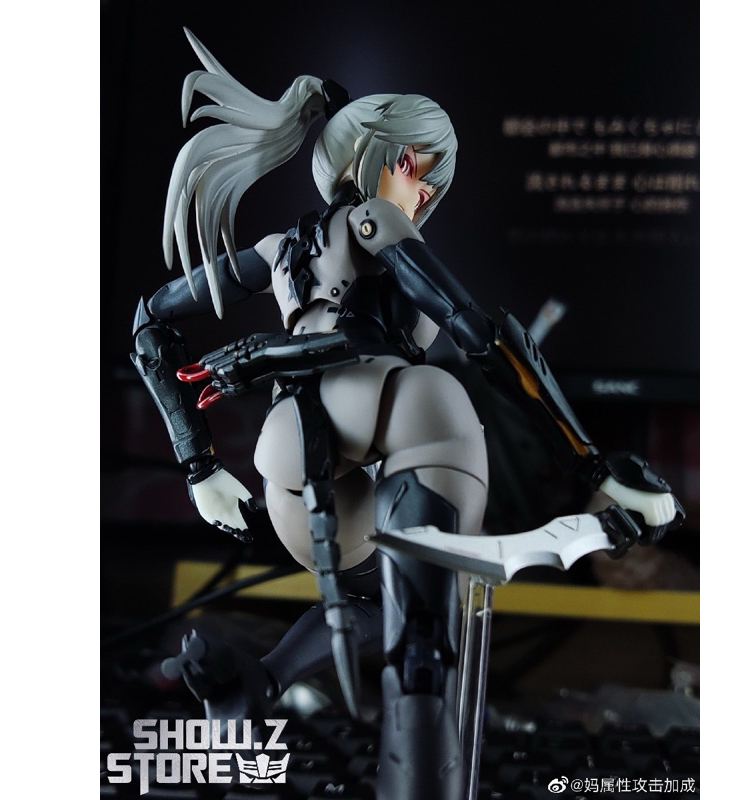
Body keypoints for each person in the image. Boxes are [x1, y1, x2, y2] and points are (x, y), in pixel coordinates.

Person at [132, 29, 681, 800]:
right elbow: (476, 330)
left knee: (378, 599)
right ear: (385, 160)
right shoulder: (375, 221)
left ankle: (262, 680)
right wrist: (595, 467)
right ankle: (420, 733)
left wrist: (200, 468)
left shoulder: (277, 248)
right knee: (438, 415)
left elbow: (149, 323)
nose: (424, 196)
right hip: (378, 407)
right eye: (420, 173)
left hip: (287, 458)